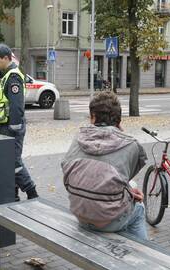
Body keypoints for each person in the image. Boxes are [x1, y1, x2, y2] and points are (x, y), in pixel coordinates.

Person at [61, 91, 148, 240]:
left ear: (93, 117)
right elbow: (124, 176)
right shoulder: (131, 145)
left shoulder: (77, 139)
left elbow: (67, 175)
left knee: (128, 188)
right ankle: (144, 255)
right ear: (119, 120)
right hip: (109, 221)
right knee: (138, 208)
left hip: (80, 215)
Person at [0, 44, 38, 201]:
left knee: (13, 162)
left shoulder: (13, 76)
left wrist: (14, 127)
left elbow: (16, 105)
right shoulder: (7, 75)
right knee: (8, 162)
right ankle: (13, 194)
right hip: (7, 125)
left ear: (6, 58)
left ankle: (32, 192)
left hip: (12, 126)